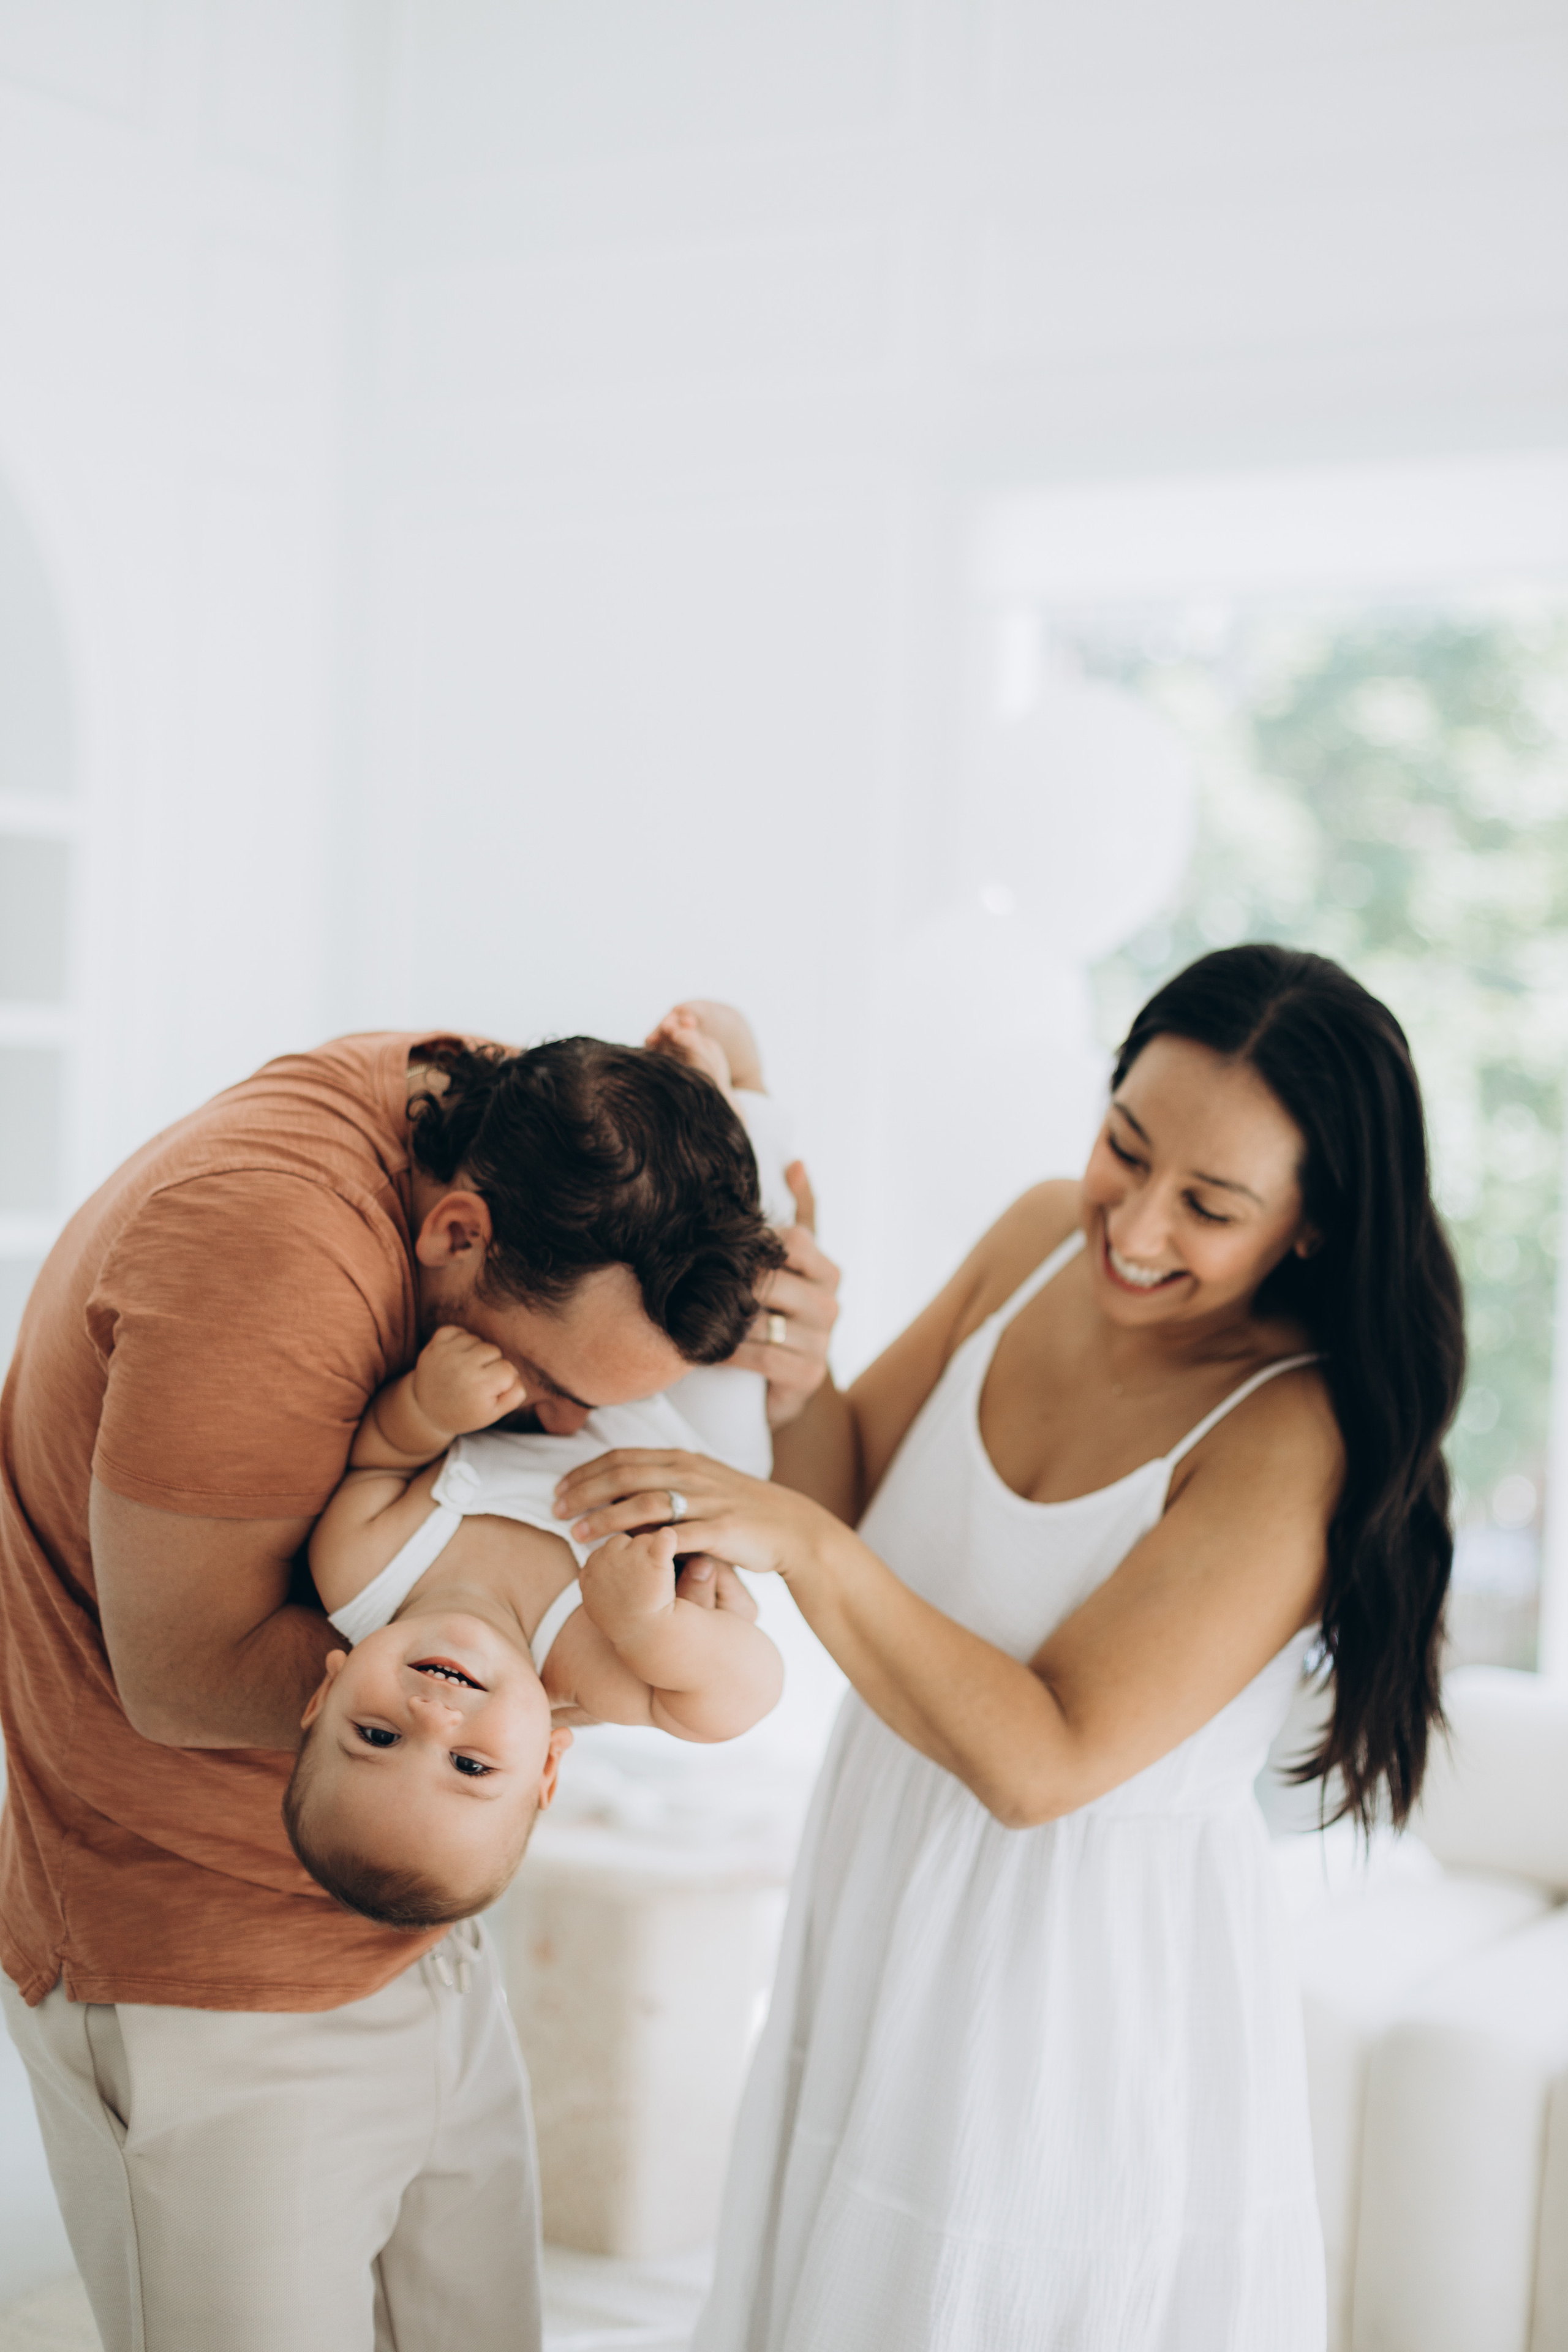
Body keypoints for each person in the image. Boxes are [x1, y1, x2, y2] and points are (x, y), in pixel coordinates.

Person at [556, 946, 1466, 2352]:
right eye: (1125, 1148)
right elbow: (843, 1496)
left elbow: (1042, 1762)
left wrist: (799, 1544)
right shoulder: (1040, 1231)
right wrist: (796, 1377)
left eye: (1209, 1205)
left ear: (1311, 1226)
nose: (1136, 1225)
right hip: (885, 1851)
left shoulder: (1294, 1431)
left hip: (1072, 1966)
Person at [0, 1024, 839, 2352]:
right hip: (211, 1969)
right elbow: (187, 1674)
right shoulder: (272, 1248)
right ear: (455, 1232)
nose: (565, 1427)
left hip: (421, 1932)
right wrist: (596, 1674)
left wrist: (755, 1250)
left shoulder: (544, 1135)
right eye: (556, 1386)